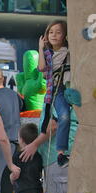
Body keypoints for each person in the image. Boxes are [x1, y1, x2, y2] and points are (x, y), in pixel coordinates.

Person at [38, 20, 71, 168]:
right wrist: (41, 47)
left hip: (69, 88)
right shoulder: (47, 53)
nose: (54, 35)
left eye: (58, 32)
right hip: (57, 92)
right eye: (51, 32)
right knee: (64, 116)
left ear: (65, 35)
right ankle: (61, 153)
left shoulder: (69, 50)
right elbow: (41, 68)